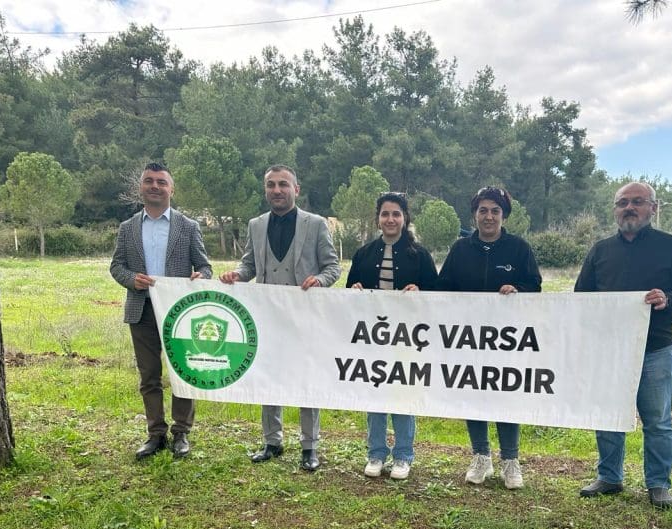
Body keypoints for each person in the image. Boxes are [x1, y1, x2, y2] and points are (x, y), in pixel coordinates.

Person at [575, 181, 672, 508]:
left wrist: (669, 298)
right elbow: (581, 297)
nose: (629, 208)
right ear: (615, 210)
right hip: (609, 349)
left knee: (657, 419)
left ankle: (658, 484)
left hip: (655, 349)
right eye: (622, 203)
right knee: (608, 415)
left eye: (637, 202)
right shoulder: (600, 250)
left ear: (653, 208)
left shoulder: (671, 246)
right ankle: (609, 477)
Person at [220, 165, 341, 471]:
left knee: (306, 380)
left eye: (283, 184)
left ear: (296, 189)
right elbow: (249, 266)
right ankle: (272, 441)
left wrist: (320, 281)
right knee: (268, 378)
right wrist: (238, 274)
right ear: (266, 190)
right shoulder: (255, 225)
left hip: (304, 318)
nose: (277, 190)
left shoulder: (315, 224)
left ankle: (309, 446)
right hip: (267, 317)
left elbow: (332, 267)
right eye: (271, 185)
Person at [435, 186, 542, 489]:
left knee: (505, 395)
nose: (489, 216)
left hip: (507, 340)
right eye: (483, 210)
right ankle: (481, 456)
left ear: (504, 214)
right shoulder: (460, 249)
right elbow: (444, 287)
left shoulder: (519, 249)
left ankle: (511, 460)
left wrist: (517, 290)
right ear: (475, 214)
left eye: (495, 210)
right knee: (474, 395)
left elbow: (535, 285)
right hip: (468, 338)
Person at [109, 162, 212, 460]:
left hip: (179, 313)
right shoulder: (128, 228)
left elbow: (204, 266)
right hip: (141, 311)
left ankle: (181, 433)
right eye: (149, 181)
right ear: (140, 187)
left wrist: (201, 277)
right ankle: (155, 434)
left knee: (183, 373)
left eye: (161, 182)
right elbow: (117, 266)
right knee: (149, 376)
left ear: (171, 189)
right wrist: (131, 280)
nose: (155, 186)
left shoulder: (188, 226)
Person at [346, 192, 438, 480]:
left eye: (396, 214)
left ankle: (403, 455)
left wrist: (420, 293)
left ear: (405, 218)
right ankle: (375, 453)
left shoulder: (420, 254)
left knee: (402, 396)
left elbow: (437, 294)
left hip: (408, 339)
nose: (390, 219)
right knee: (375, 396)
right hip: (372, 339)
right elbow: (349, 292)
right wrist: (356, 290)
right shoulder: (364, 254)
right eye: (385, 214)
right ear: (378, 219)